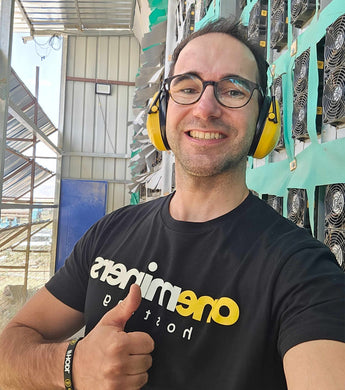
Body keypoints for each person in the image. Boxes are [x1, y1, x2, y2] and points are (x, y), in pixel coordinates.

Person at [0, 17, 344, 390]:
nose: (206, 107)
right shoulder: (110, 232)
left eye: (233, 90)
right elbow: (9, 349)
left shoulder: (303, 271)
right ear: (161, 112)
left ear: (263, 119)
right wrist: (71, 365)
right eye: (187, 87)